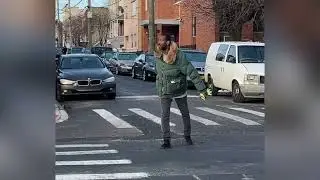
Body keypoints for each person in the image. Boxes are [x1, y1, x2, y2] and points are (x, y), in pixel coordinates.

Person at [154, 34, 210, 149]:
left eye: (162, 40)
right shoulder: (158, 54)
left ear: (168, 42)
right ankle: (166, 140)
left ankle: (187, 136)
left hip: (178, 88)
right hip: (164, 90)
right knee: (165, 115)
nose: (159, 43)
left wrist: (202, 89)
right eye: (158, 40)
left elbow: (191, 71)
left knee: (185, 113)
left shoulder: (178, 55)